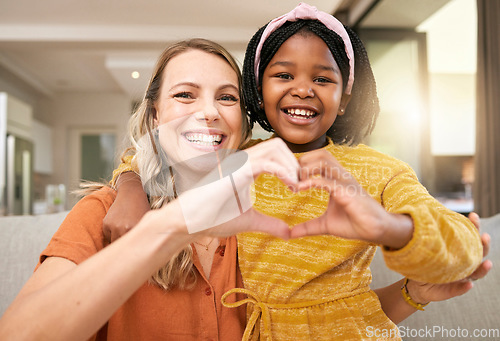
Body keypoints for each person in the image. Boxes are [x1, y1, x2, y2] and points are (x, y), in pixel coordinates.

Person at [104, 5, 490, 341]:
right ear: (257, 89)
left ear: (345, 99)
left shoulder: (380, 172)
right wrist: (130, 187)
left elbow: (462, 247)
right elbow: (154, 155)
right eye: (284, 76)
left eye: (323, 79)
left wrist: (387, 226)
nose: (303, 89)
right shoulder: (239, 161)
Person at [0, 38, 304, 341]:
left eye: (227, 98)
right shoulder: (103, 211)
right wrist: (168, 225)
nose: (210, 111)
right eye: (185, 95)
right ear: (155, 114)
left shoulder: (272, 207)